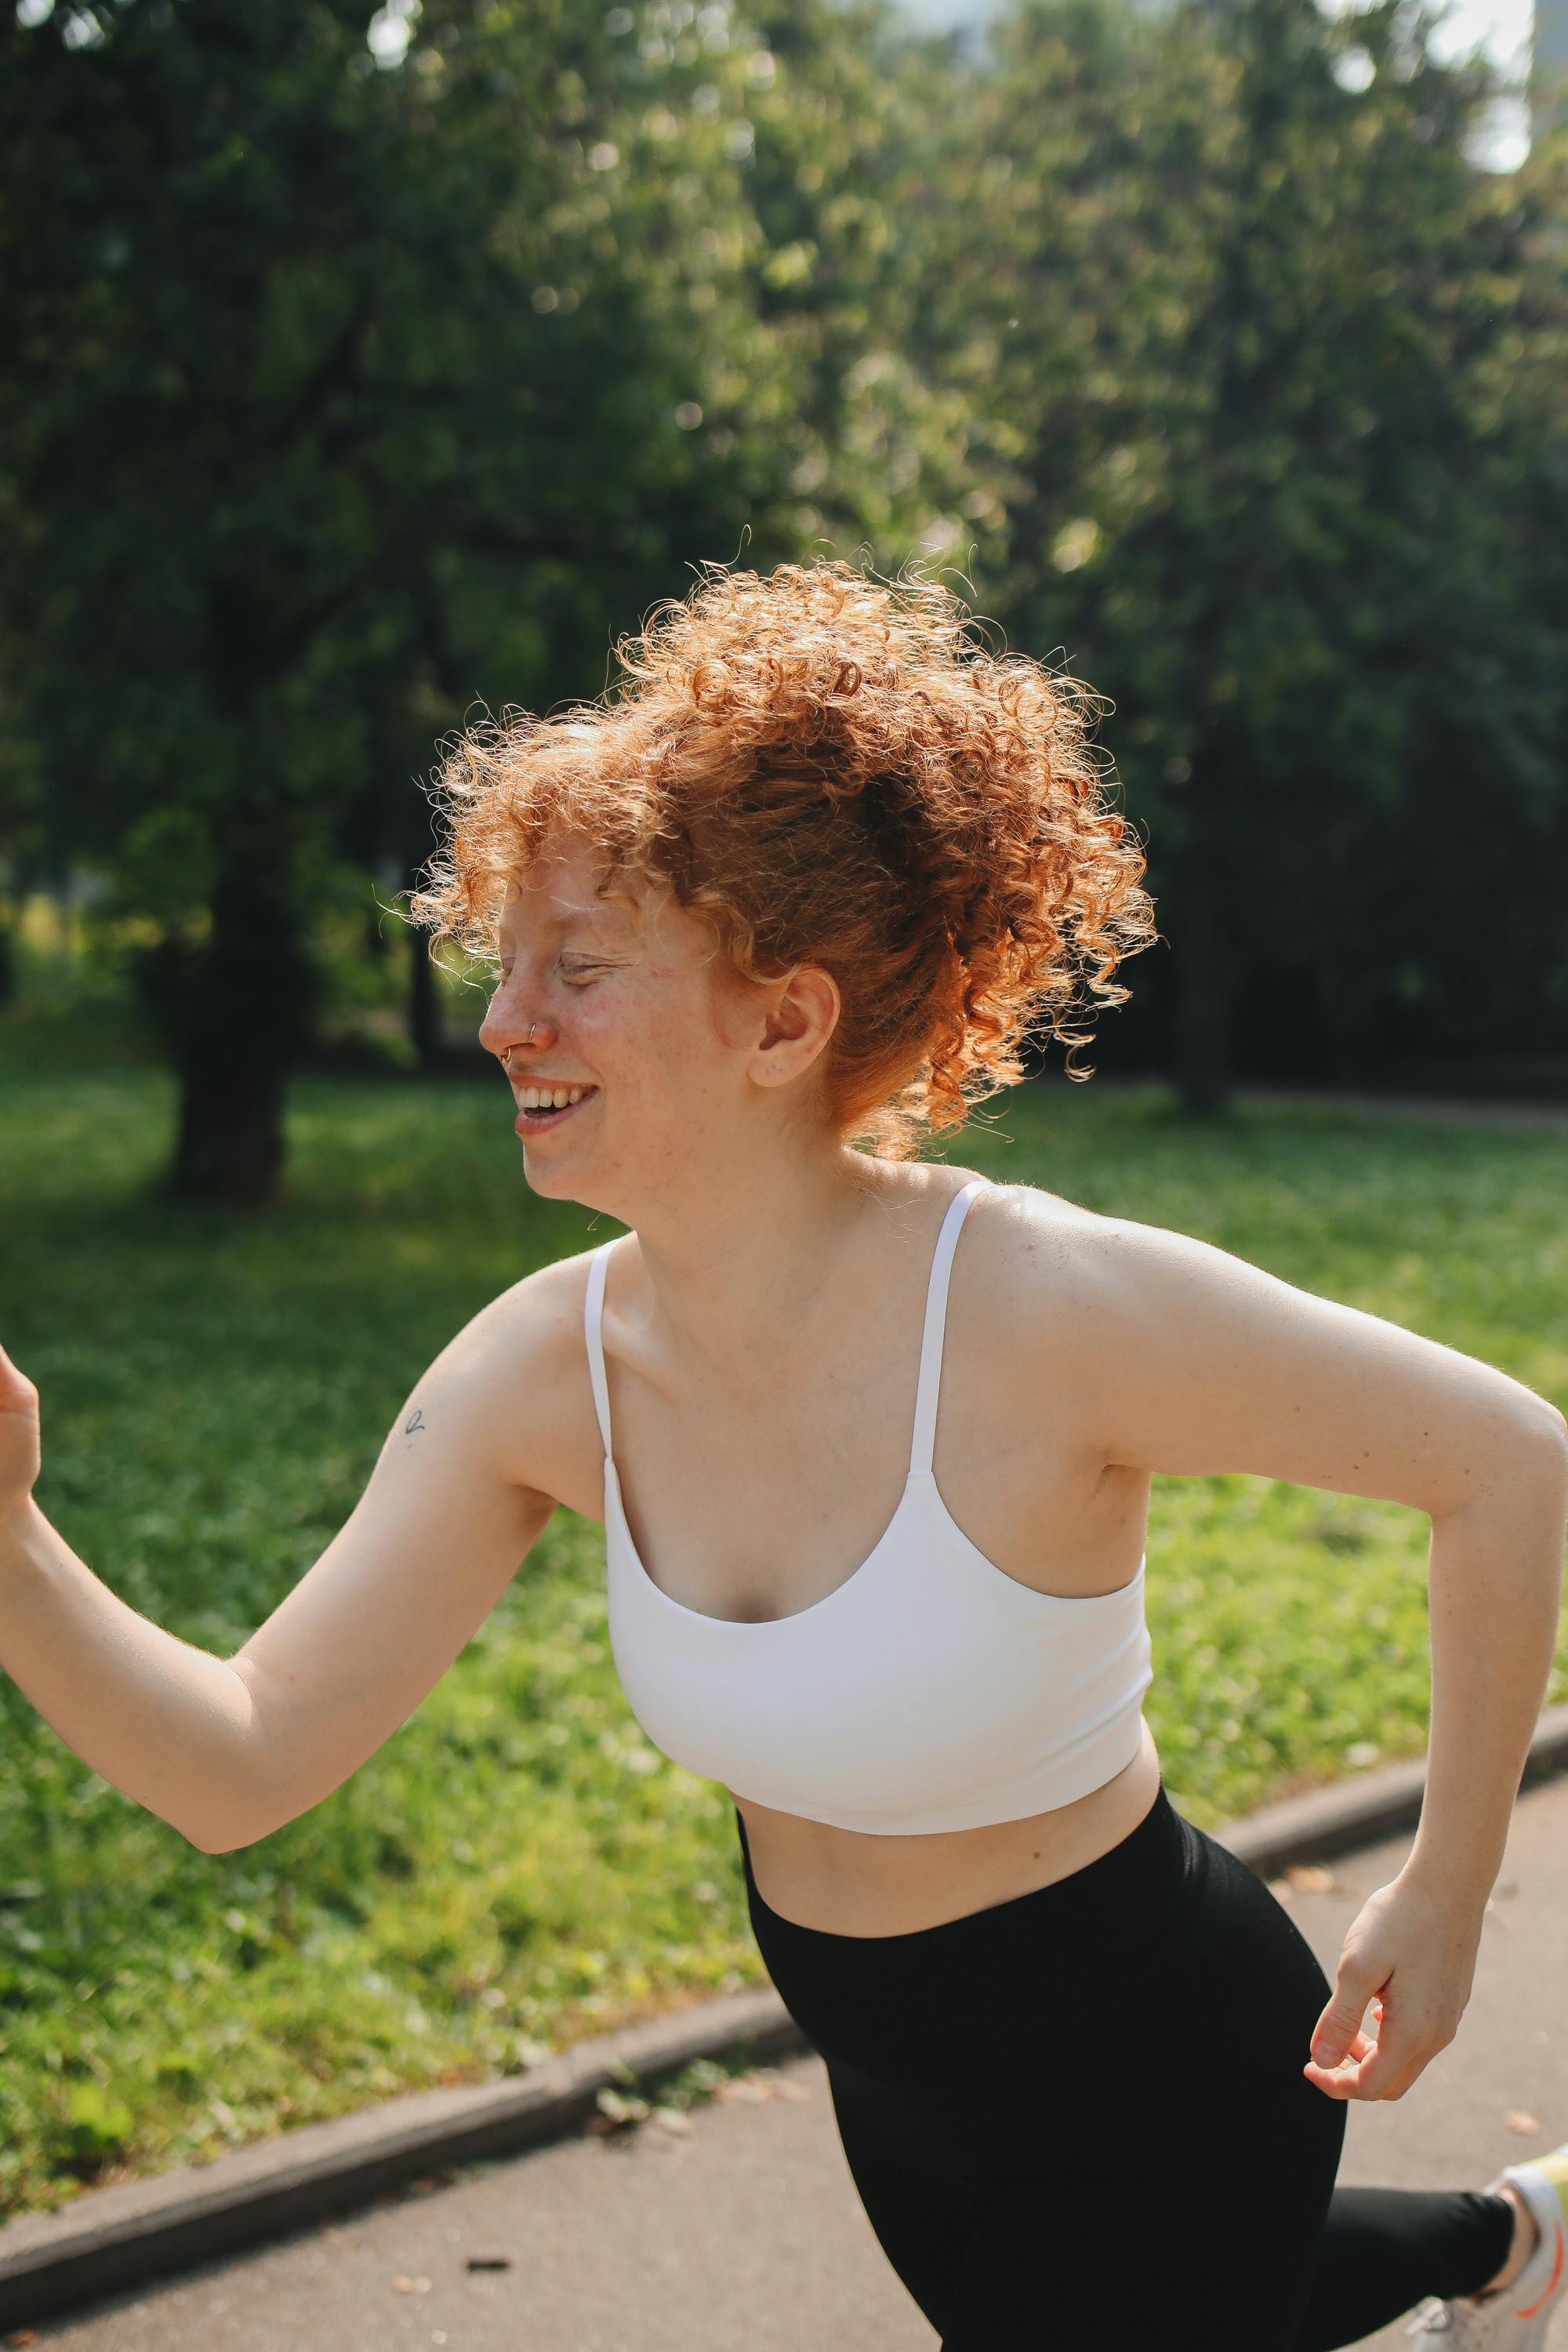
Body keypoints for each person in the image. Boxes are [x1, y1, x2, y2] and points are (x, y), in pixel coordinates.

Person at [2, 557, 1566, 2350]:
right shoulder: (539, 1370)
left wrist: (1447, 1891)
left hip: (1163, 2056)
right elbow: (240, 1764)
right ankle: (1501, 2245)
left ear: (783, 1019)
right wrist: (13, 1541)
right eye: (505, 966)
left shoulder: (1042, 1309)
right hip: (891, 2091)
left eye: (577, 971)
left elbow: (1506, 1460)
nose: (507, 1022)